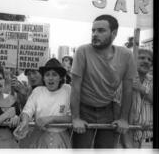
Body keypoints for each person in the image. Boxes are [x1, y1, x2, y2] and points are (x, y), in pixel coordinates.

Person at [70, 14, 137, 148]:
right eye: (93, 30)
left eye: (101, 30)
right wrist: (76, 118)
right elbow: (75, 87)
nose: (95, 34)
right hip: (83, 109)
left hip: (109, 110)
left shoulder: (126, 55)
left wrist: (124, 119)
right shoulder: (83, 51)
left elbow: (128, 89)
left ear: (114, 33)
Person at [14, 58, 72, 148]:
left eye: (54, 74)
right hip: (39, 139)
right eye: (47, 75)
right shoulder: (38, 91)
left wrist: (51, 119)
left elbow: (73, 117)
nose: (50, 78)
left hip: (61, 140)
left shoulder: (67, 89)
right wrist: (25, 121)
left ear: (60, 77)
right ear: (43, 78)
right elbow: (27, 110)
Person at [128, 49, 153, 148]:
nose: (146, 61)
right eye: (142, 58)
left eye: (149, 59)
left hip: (149, 139)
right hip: (129, 137)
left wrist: (142, 89)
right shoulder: (125, 79)